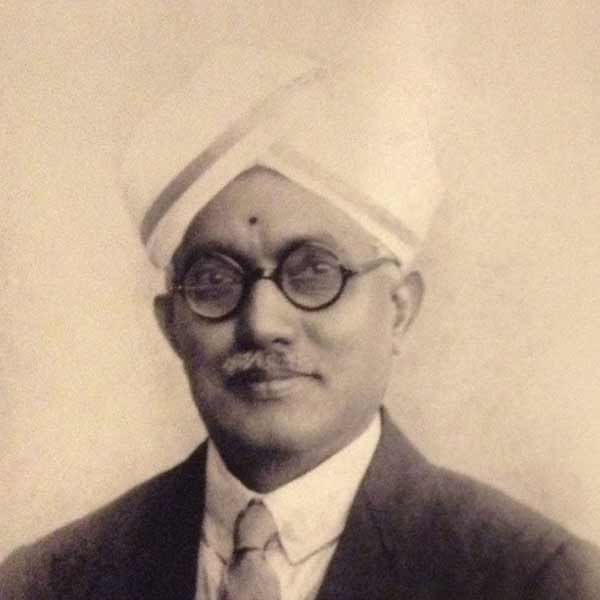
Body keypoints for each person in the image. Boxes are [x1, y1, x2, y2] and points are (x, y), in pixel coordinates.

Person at [1, 42, 599, 600]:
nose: (262, 323)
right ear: (171, 325)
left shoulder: (536, 579)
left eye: (314, 272)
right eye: (214, 281)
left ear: (399, 309)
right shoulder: (50, 581)